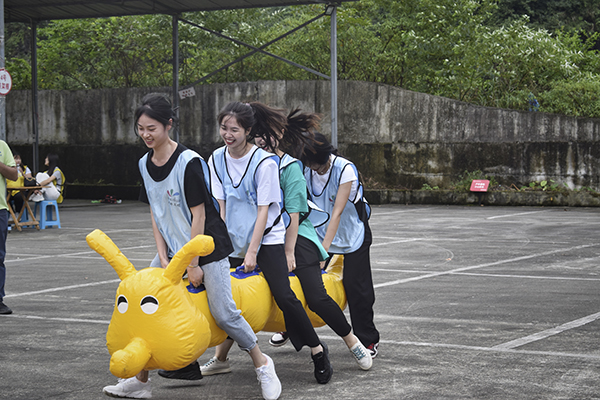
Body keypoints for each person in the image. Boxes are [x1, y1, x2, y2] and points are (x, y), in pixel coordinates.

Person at [102, 93, 281, 400]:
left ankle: (262, 363)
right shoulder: (144, 163)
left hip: (206, 249)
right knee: (147, 302)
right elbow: (156, 211)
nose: (145, 134)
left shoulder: (189, 162)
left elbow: (200, 215)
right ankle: (140, 381)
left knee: (224, 314)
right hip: (173, 249)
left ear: (168, 125)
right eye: (141, 128)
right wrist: (162, 254)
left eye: (151, 128)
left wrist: (194, 263)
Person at [206, 101, 333, 385]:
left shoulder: (264, 163)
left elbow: (264, 211)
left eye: (234, 129)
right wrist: (222, 244)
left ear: (248, 131)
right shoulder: (215, 158)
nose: (228, 134)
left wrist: (252, 252)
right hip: (233, 238)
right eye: (224, 128)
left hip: (266, 239)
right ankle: (220, 359)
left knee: (284, 296)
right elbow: (220, 205)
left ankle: (317, 350)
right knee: (227, 298)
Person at [250, 103, 372, 371]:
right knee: (248, 295)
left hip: (297, 236)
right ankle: (221, 357)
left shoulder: (291, 166)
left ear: (278, 134)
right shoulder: (248, 163)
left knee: (316, 296)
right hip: (260, 238)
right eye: (255, 135)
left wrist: (291, 251)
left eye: (264, 134)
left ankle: (353, 341)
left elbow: (294, 214)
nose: (260, 140)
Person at [300, 132, 380, 358]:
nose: (314, 170)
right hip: (320, 231)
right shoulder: (306, 169)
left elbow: (337, 213)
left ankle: (367, 339)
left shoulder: (345, 170)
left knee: (357, 287)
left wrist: (322, 252)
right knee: (302, 278)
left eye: (316, 165)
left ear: (326, 156)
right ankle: (290, 327)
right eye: (309, 165)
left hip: (352, 232)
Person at [0, 141, 18, 314]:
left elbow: (13, 175)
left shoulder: (2, 146)